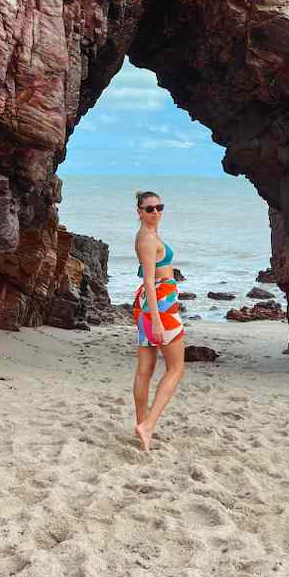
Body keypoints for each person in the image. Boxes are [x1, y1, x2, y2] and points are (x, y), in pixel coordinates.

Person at [131, 190, 185, 451]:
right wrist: (156, 321)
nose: (156, 212)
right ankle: (148, 424)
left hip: (151, 306)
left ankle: (142, 426)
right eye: (149, 208)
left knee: (145, 370)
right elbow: (149, 282)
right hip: (160, 306)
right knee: (176, 368)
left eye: (159, 207)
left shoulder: (149, 235)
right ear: (139, 211)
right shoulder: (147, 239)